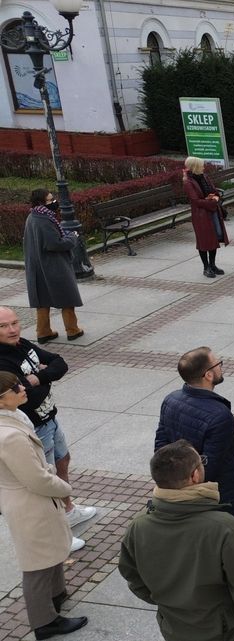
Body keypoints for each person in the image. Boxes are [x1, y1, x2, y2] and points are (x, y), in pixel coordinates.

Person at [119, 440, 234, 640]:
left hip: (176, 629)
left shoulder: (137, 527)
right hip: (229, 632)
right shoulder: (226, 529)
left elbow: (132, 575)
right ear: (195, 476)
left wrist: (169, 602)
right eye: (201, 461)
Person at [0, 371, 88, 640]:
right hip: (30, 503)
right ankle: (45, 621)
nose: (22, 387)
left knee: (51, 549)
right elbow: (35, 479)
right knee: (37, 563)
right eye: (14, 387)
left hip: (30, 500)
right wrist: (64, 488)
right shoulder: (9, 435)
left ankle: (57, 594)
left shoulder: (13, 418)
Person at [0, 307, 95, 541]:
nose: (12, 330)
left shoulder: (22, 344)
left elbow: (59, 363)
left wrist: (38, 378)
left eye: (14, 323)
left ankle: (68, 511)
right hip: (32, 428)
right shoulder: (3, 362)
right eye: (3, 326)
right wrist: (43, 379)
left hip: (49, 418)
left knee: (63, 460)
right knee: (45, 480)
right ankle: (57, 534)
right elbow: (26, 395)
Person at [155, 347, 234, 520]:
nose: (221, 366)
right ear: (208, 375)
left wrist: (177, 483)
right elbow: (211, 465)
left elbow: (161, 447)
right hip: (221, 497)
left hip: (179, 492)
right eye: (218, 363)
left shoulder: (170, 400)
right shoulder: (220, 416)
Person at [23, 190, 84, 342]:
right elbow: (54, 243)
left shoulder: (33, 216)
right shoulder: (43, 220)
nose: (54, 202)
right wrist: (72, 238)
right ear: (41, 203)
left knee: (42, 300)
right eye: (50, 200)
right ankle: (72, 330)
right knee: (67, 297)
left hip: (37, 267)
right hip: (53, 266)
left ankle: (43, 332)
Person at [182, 156, 228, 278]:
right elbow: (196, 201)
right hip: (201, 215)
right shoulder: (188, 182)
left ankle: (212, 265)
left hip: (212, 212)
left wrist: (216, 197)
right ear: (195, 166)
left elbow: (215, 191)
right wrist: (212, 202)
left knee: (214, 238)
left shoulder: (204, 177)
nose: (203, 166)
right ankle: (206, 267)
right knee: (203, 241)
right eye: (201, 165)